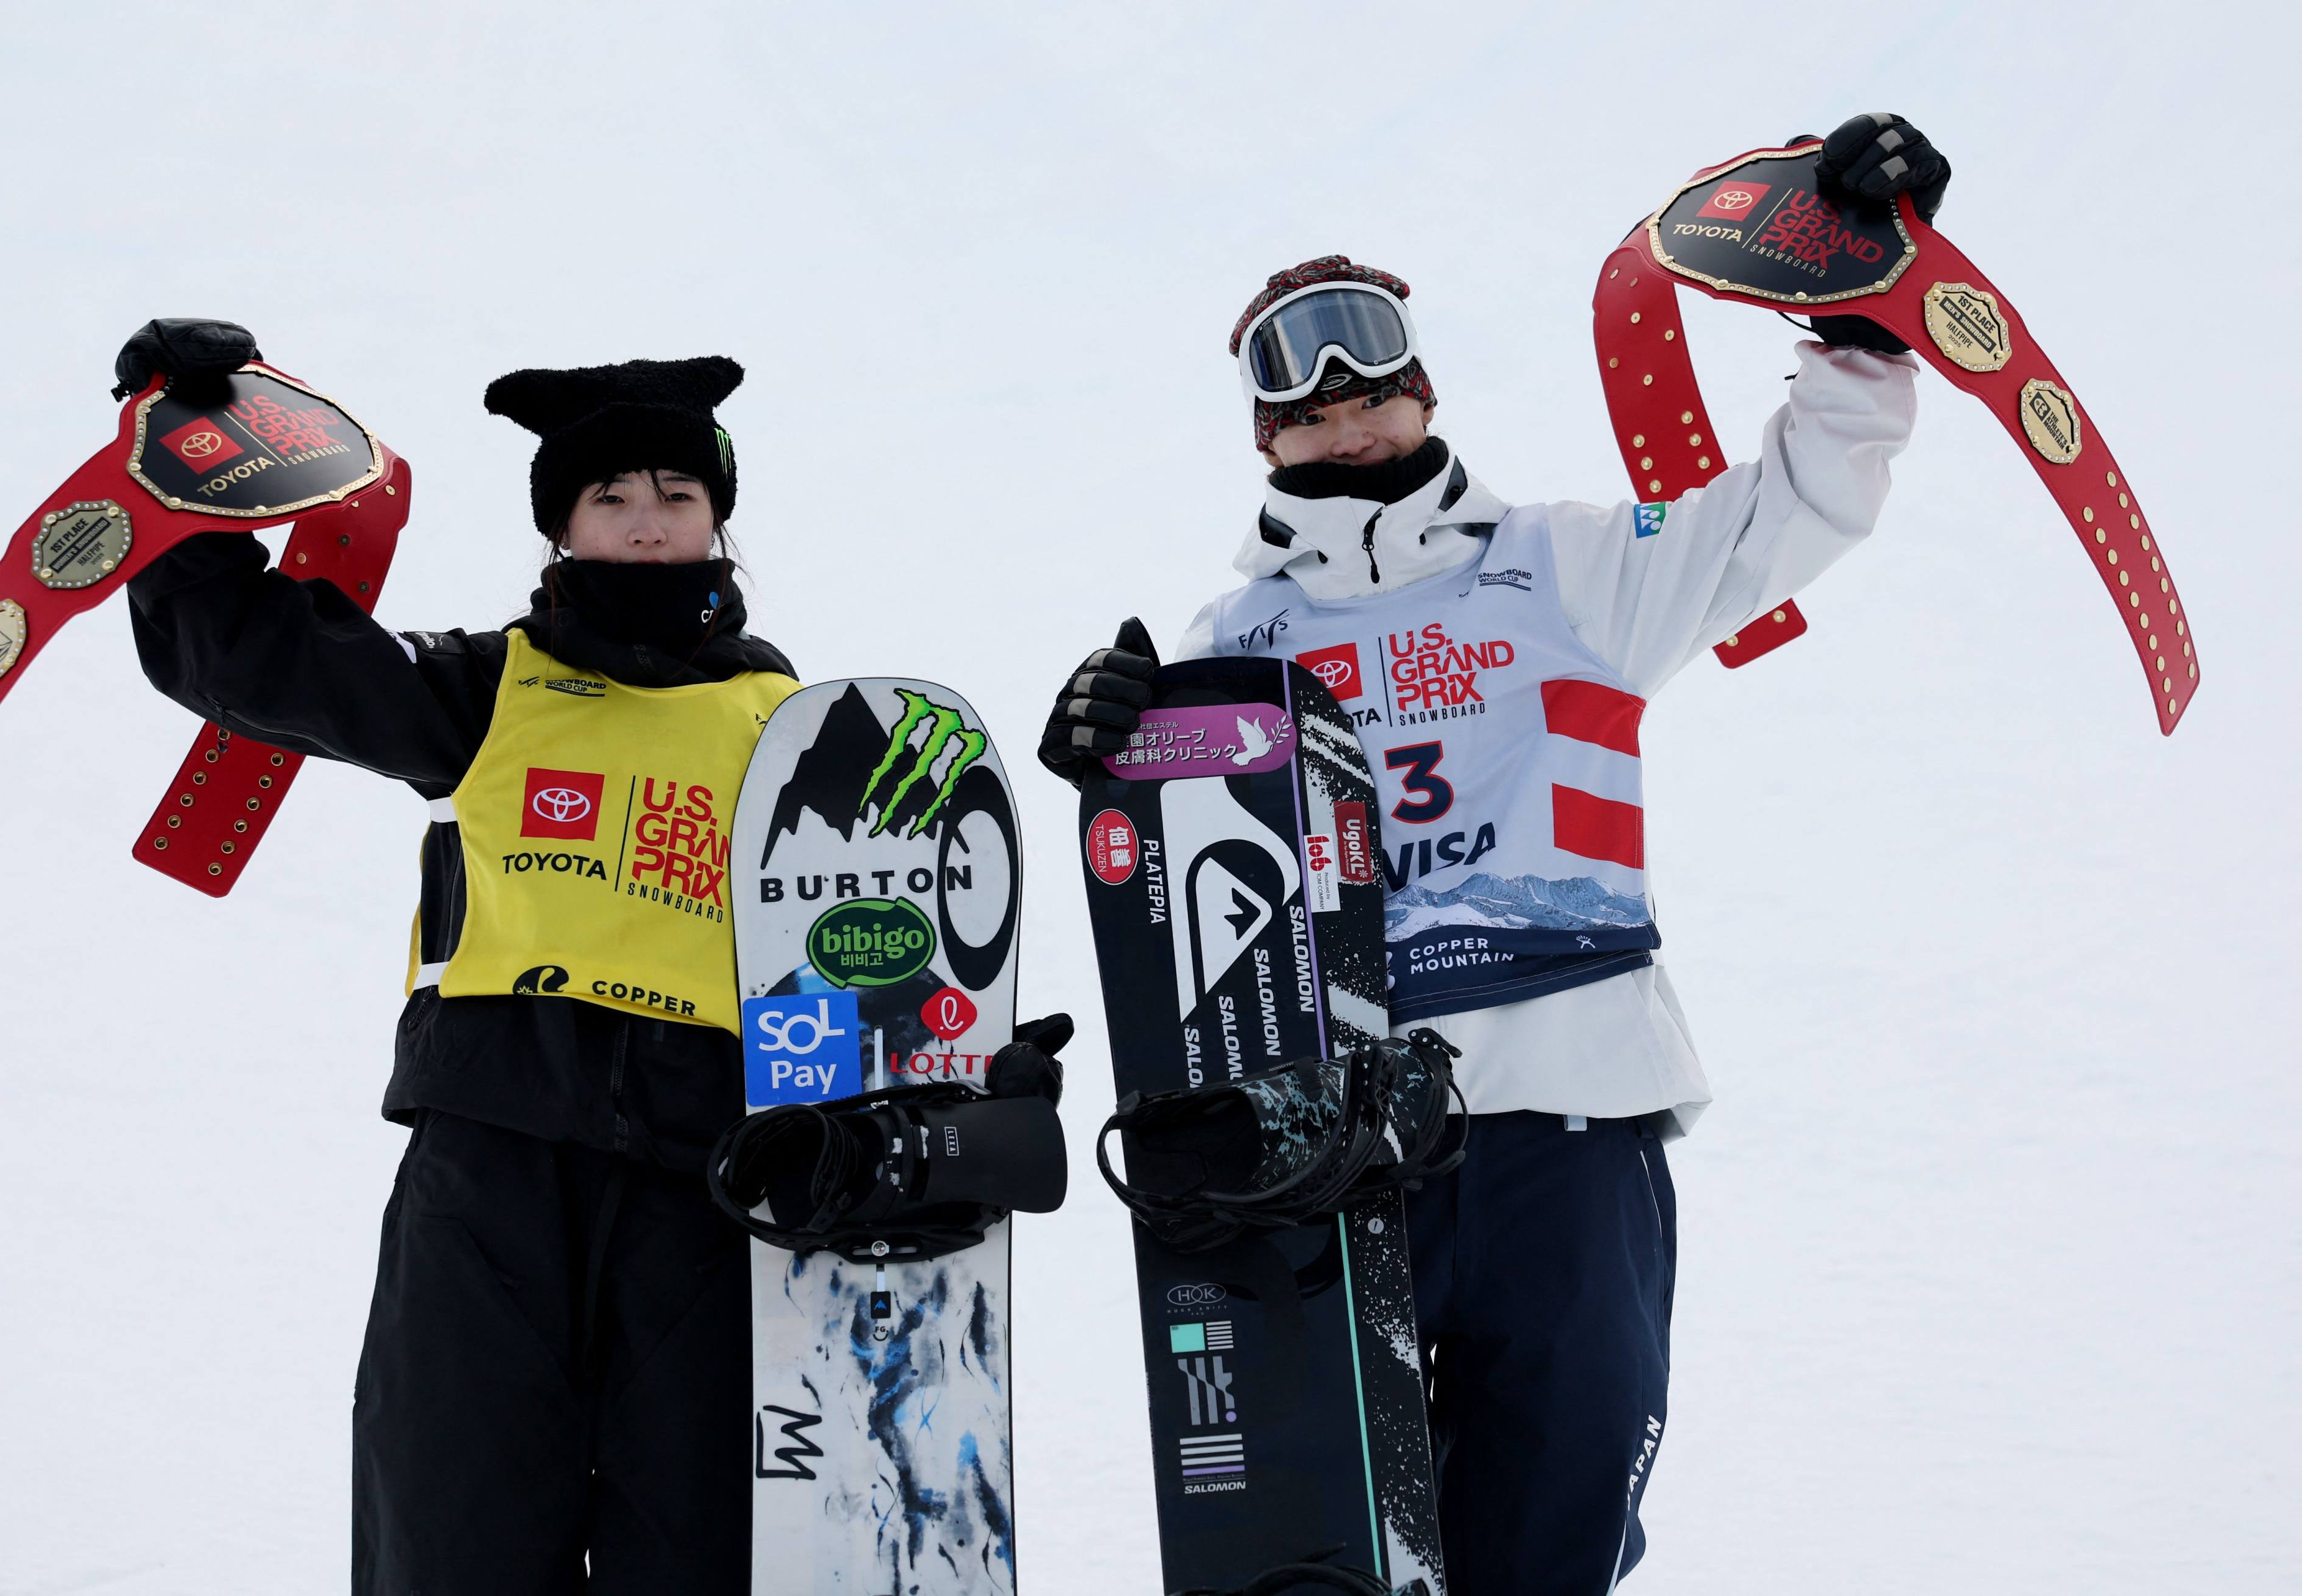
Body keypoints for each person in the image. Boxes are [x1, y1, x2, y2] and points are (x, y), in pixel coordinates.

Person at [1039, 114, 1950, 1592]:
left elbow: (1795, 503)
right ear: (1263, 435)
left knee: (1551, 1524)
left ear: (1420, 389)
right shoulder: (1232, 641)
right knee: (1338, 1541)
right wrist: (1110, 759)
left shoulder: (1572, 568)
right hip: (1342, 1153)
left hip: (1568, 1130)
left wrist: (1852, 313)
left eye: (1371, 374)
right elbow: (1177, 915)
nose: (1342, 411)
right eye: (1300, 392)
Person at [119, 325, 1062, 1593]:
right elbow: (247, 651)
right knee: (450, 1537)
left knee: (693, 1555)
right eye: (607, 496)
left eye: (675, 495)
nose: (643, 520)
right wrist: (181, 450)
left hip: (707, 1194)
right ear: (560, 528)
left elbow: (888, 969)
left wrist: (960, 1105)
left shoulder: (799, 741)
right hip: (488, 1169)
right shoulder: (478, 688)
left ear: (718, 522)